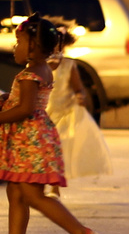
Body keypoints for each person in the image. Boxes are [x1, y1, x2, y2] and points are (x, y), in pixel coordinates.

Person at [0, 14, 96, 234]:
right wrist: (4, 101)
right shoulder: (37, 70)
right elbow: (23, 102)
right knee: (16, 193)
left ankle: (80, 233)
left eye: (18, 42)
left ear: (32, 46)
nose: (14, 48)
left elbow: (26, 109)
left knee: (33, 195)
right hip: (27, 140)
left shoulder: (31, 74)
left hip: (30, 141)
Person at [45, 22, 112, 185]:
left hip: (65, 114)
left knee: (60, 149)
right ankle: (45, 177)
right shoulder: (38, 67)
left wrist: (80, 96)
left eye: (59, 47)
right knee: (45, 150)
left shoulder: (68, 65)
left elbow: (78, 88)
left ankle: (55, 185)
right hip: (45, 114)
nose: (56, 51)